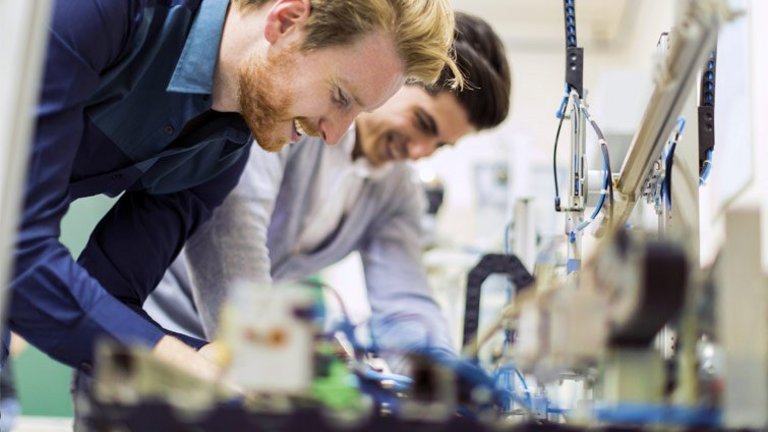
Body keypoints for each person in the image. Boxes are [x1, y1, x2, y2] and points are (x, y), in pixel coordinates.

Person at [3, 0, 461, 381]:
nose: (335, 134)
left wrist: (222, 363)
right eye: (341, 97)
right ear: (286, 21)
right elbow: (17, 255)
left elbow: (111, 294)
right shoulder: (101, 12)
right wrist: (186, 364)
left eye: (357, 113)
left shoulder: (223, 150)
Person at [146, 12, 512, 373]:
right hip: (159, 334)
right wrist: (275, 359)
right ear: (393, 77)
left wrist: (440, 383)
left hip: (244, 355)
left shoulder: (396, 192)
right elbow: (233, 235)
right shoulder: (296, 118)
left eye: (439, 145)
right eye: (422, 124)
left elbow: (404, 303)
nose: (419, 152)